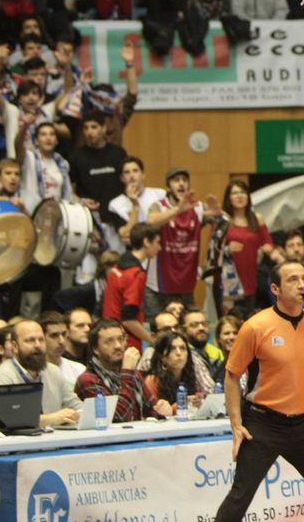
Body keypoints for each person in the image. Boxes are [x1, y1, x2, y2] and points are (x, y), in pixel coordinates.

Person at [213, 261, 304, 522]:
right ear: (275, 289)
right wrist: (236, 425)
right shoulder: (255, 327)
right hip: (262, 423)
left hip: (303, 424)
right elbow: (232, 376)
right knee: (240, 497)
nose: (302, 285)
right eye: (293, 280)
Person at [146, 167, 221, 320]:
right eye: (176, 180)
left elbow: (224, 226)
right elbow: (151, 222)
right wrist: (177, 210)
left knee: (191, 326)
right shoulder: (159, 206)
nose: (181, 184)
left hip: (186, 285)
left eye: (184, 180)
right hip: (158, 286)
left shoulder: (198, 207)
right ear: (168, 187)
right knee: (159, 327)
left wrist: (219, 215)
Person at [207, 179, 280, 318]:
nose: (239, 196)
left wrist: (267, 248)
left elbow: (269, 243)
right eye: (235, 193)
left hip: (250, 280)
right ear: (228, 198)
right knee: (228, 323)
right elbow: (211, 250)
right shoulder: (221, 220)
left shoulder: (257, 218)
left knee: (248, 322)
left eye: (243, 192)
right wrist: (227, 249)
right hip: (226, 283)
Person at [75, 318, 173, 422]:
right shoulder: (88, 380)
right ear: (95, 349)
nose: (118, 346)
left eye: (121, 339)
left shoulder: (133, 374)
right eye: (110, 341)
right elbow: (120, 417)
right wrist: (127, 371)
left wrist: (162, 409)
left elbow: (152, 410)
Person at [0, 318, 80, 426]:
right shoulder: (1, 376)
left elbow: (76, 406)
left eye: (41, 340)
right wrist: (49, 419)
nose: (37, 345)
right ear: (15, 347)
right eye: (30, 340)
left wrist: (79, 413)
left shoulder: (53, 371)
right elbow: (1, 420)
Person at [103, 223, 161, 351]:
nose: (160, 247)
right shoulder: (136, 274)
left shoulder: (117, 267)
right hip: (126, 343)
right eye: (157, 242)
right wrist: (151, 339)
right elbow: (129, 320)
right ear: (146, 242)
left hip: (108, 337)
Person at [142, 330, 211, 411]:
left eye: (182, 348)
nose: (179, 353)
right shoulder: (152, 381)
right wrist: (179, 405)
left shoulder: (191, 377)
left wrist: (199, 404)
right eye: (172, 349)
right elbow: (153, 413)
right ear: (162, 357)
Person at [37, 310, 85, 384]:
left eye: (64, 334)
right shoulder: (34, 373)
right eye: (54, 335)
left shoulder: (80, 370)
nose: (61, 341)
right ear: (41, 338)